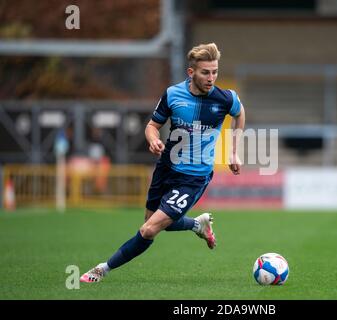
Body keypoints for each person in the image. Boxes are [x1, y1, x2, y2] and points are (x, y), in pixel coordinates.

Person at [80, 43, 246, 282]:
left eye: (215, 72)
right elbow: (151, 125)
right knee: (154, 222)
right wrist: (153, 139)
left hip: (193, 177)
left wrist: (234, 152)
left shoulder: (225, 98)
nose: (211, 78)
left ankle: (102, 269)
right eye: (205, 72)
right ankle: (197, 225)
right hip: (166, 168)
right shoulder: (173, 95)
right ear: (191, 73)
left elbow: (240, 113)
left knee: (149, 230)